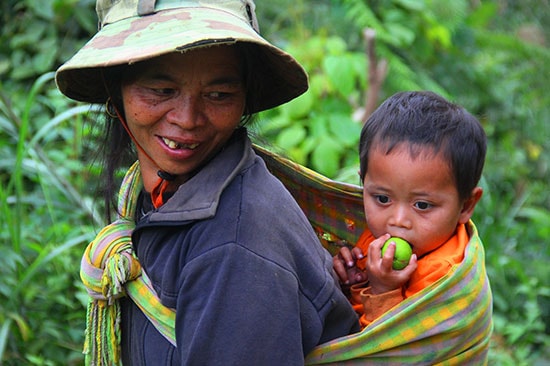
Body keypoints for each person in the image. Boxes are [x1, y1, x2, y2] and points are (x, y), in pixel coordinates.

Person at [56, 1, 359, 365]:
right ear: (115, 88)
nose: (187, 119)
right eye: (161, 90)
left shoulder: (235, 244)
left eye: (218, 95)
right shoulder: (153, 197)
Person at [333, 91, 487, 328]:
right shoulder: (380, 236)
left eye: (422, 205)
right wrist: (354, 281)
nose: (398, 220)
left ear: (465, 206)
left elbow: (391, 350)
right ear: (364, 185)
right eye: (382, 198)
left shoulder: (442, 278)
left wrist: (384, 290)